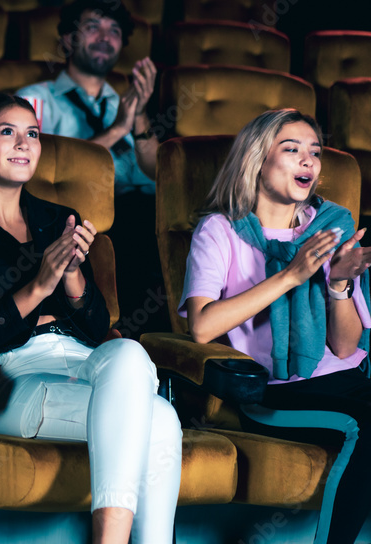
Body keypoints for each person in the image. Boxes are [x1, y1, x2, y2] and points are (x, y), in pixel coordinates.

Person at [0, 93, 181, 544]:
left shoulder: (58, 219)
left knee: (127, 349)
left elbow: (98, 328)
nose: (24, 142)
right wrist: (40, 284)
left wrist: (72, 274)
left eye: (33, 134)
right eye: (8, 131)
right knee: (161, 420)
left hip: (83, 361)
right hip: (13, 376)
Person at [182, 109, 371, 543]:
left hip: (345, 376)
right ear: (256, 160)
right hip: (273, 388)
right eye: (292, 150)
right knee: (366, 425)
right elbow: (202, 327)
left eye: (315, 153)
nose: (308, 160)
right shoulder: (219, 231)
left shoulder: (327, 230)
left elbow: (345, 347)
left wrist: (339, 283)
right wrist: (290, 276)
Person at [16, 0, 166, 337]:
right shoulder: (35, 100)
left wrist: (139, 114)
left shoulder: (123, 101)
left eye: (114, 31)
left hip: (136, 212)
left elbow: (159, 173)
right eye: (93, 26)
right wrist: (116, 130)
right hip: (71, 216)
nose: (105, 36)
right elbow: (31, 169)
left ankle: (157, 344)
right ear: (68, 39)